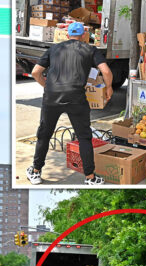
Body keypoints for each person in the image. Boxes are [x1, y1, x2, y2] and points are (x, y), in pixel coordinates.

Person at [27, 22, 113, 185]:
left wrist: (47, 87)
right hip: (76, 98)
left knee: (44, 134)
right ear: (83, 36)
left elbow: (35, 72)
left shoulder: (54, 49)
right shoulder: (90, 49)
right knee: (84, 137)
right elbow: (106, 71)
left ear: (67, 35)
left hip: (52, 98)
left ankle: (36, 172)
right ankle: (90, 178)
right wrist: (108, 88)